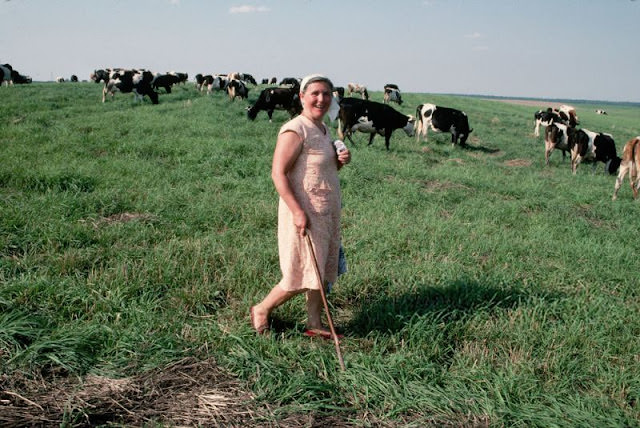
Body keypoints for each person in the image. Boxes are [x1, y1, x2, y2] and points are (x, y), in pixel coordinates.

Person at [250, 74, 351, 336]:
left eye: (327, 94)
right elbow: (278, 173)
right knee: (301, 271)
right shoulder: (296, 129)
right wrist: (297, 211)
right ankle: (262, 309)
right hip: (304, 212)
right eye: (315, 93)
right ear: (302, 96)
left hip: (326, 212)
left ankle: (314, 324)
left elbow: (320, 171)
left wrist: (339, 161)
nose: (321, 99)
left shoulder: (324, 129)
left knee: (321, 271)